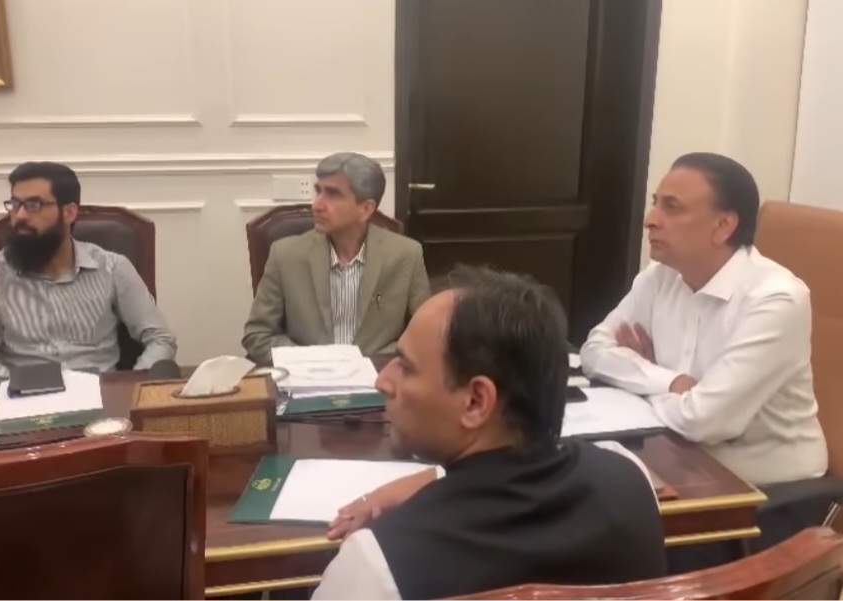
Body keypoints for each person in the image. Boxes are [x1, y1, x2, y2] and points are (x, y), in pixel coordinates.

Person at [312, 266, 666, 600]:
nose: (383, 381)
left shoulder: (378, 565)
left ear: (476, 401)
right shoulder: (631, 478)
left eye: (405, 367)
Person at [580, 152, 828, 566]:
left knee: (600, 536)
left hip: (761, 494)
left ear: (723, 226)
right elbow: (594, 352)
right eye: (655, 203)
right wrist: (670, 382)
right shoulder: (662, 275)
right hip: (675, 457)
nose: (650, 220)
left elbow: (705, 421)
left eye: (671, 207)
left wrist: (637, 378)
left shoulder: (775, 300)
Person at [0, 162, 177, 381]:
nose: (20, 215)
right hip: (23, 394)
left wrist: (130, 385)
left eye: (34, 205)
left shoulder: (112, 268)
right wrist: (27, 387)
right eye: (15, 204)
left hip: (101, 393)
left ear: (69, 212)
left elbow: (160, 339)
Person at [242, 152, 430, 363]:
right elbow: (257, 335)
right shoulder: (285, 255)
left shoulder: (406, 255)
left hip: (378, 376)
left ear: (366, 209)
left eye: (332, 194)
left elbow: (426, 335)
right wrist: (319, 361)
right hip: (307, 375)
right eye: (318, 191)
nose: (317, 205)